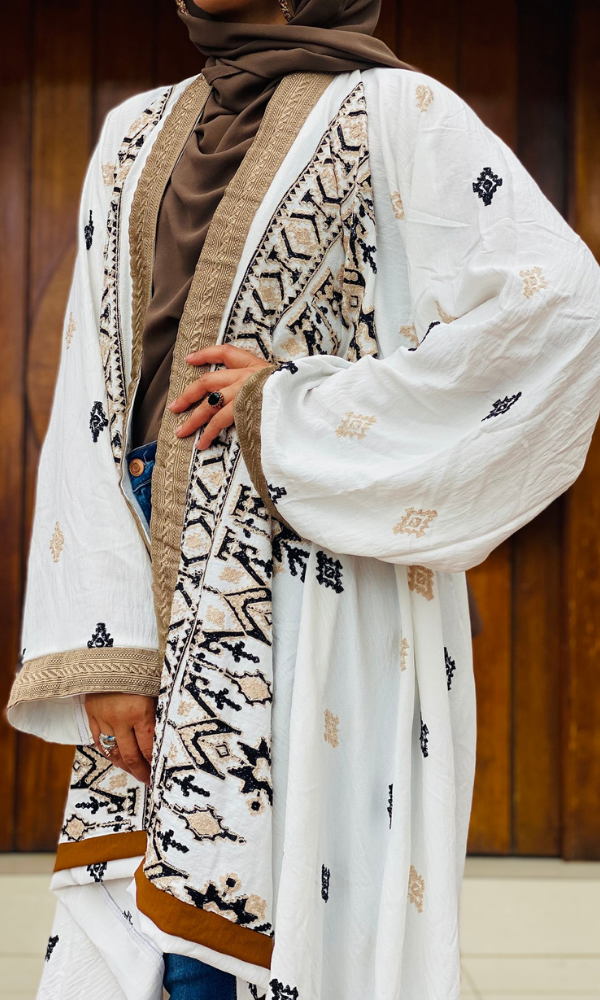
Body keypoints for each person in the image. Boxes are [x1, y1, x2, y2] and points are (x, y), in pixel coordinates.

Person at [7, 1, 600, 998]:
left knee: (280, 916)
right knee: (151, 927)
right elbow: (92, 395)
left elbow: (559, 309)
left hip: (314, 570)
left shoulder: (398, 113)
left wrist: (297, 407)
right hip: (148, 553)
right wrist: (109, 647)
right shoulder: (133, 133)